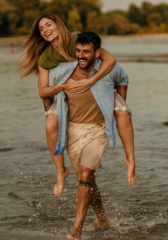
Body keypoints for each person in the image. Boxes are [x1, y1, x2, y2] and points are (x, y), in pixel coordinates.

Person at [17, 14, 135, 197]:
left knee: (123, 113)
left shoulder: (77, 42)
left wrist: (91, 81)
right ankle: (60, 170)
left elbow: (110, 60)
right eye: (41, 29)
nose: (45, 30)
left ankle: (129, 158)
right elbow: (42, 91)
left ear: (58, 25)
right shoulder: (44, 57)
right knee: (50, 125)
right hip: (67, 95)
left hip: (98, 85)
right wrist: (62, 86)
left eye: (49, 25)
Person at [48, 32, 135, 240]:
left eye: (86, 52)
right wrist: (52, 113)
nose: (81, 56)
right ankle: (102, 217)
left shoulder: (109, 70)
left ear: (97, 53)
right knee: (86, 180)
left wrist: (118, 104)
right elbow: (46, 89)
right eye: (78, 51)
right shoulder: (62, 71)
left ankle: (76, 230)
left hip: (98, 130)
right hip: (72, 132)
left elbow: (124, 78)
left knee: (85, 174)